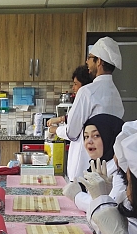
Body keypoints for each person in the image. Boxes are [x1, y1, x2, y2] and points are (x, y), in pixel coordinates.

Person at [47, 37, 124, 181]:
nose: (87, 62)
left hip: (83, 165)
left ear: (99, 61)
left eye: (90, 58)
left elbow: (72, 132)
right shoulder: (116, 95)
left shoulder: (87, 92)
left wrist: (56, 130)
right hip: (106, 168)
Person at [61, 114, 124, 213]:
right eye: (86, 136)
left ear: (110, 137)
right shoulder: (97, 165)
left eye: (96, 136)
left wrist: (77, 196)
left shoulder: (120, 169)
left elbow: (109, 209)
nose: (89, 141)